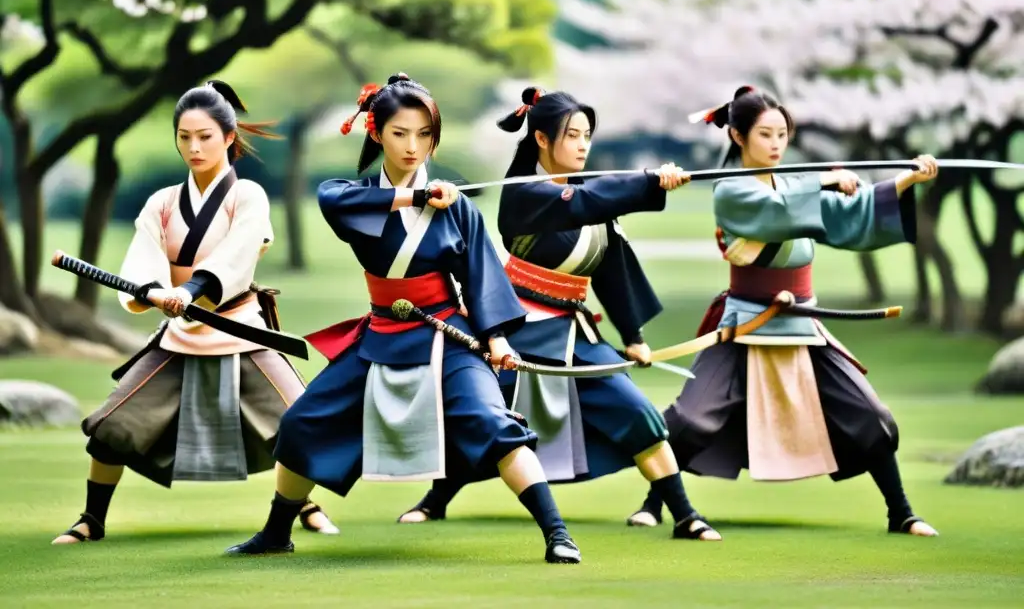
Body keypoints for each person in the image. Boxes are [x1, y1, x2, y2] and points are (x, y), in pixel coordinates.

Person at [225, 74, 582, 564]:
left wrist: (497, 339)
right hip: (378, 334)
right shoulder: (353, 193)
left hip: (444, 333)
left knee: (492, 423)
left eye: (424, 135)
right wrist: (416, 198)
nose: (413, 147)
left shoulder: (458, 208)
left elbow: (480, 277)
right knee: (303, 423)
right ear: (376, 133)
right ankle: (275, 532)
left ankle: (557, 534)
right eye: (400, 134)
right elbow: (334, 201)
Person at [398, 87, 721, 541]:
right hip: (511, 328)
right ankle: (434, 501)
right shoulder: (525, 196)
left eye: (588, 135)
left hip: (574, 334)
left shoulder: (590, 200)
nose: (583, 145)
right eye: (573, 135)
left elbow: (608, 267)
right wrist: (650, 183)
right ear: (543, 139)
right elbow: (584, 204)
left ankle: (685, 515)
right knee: (483, 417)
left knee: (638, 412)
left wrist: (632, 335)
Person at [627, 85, 939, 537]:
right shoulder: (731, 190)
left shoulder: (796, 185)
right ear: (737, 136)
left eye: (782, 134)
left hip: (801, 325)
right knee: (691, 419)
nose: (776, 144)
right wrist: (825, 181)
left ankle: (901, 512)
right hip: (746, 322)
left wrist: (906, 180)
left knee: (871, 416)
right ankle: (656, 503)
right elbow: (775, 215)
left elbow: (845, 216)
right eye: (765, 135)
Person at [53, 80, 337, 545]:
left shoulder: (248, 196)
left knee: (300, 420)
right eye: (184, 137)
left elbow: (237, 254)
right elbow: (144, 258)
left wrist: (192, 289)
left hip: (239, 326)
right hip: (181, 331)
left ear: (228, 138)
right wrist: (153, 290)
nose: (194, 146)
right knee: (111, 426)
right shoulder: (162, 202)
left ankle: (302, 506)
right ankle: (91, 519)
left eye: (205, 136)